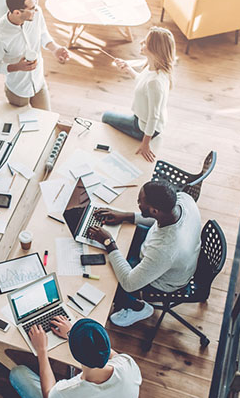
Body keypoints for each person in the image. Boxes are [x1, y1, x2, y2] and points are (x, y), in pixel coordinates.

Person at [88, 180, 201, 327]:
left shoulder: (165, 249)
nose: (138, 203)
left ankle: (138, 307)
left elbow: (129, 284)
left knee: (110, 279)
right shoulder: (183, 199)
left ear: (154, 211)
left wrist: (108, 242)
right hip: (163, 250)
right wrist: (125, 216)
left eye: (140, 202)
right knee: (120, 247)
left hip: (165, 280)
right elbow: (157, 220)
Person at [9, 317, 142, 398]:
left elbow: (49, 394)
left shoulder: (69, 391)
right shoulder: (128, 363)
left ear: (75, 354)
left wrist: (42, 350)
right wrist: (73, 334)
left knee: (17, 373)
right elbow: (106, 351)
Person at [0, 0, 70, 111]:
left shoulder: (36, 13)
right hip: (18, 90)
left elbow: (43, 34)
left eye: (35, 4)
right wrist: (17, 67)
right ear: (16, 12)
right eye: (31, 8)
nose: (36, 9)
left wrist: (55, 49)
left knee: (46, 120)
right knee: (22, 127)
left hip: (39, 82)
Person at [102, 26, 176, 162]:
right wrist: (128, 69)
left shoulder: (155, 83)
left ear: (155, 49)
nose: (141, 43)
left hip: (142, 128)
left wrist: (145, 143)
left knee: (105, 117)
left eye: (145, 42)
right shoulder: (154, 67)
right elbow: (142, 83)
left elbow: (153, 117)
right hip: (145, 120)